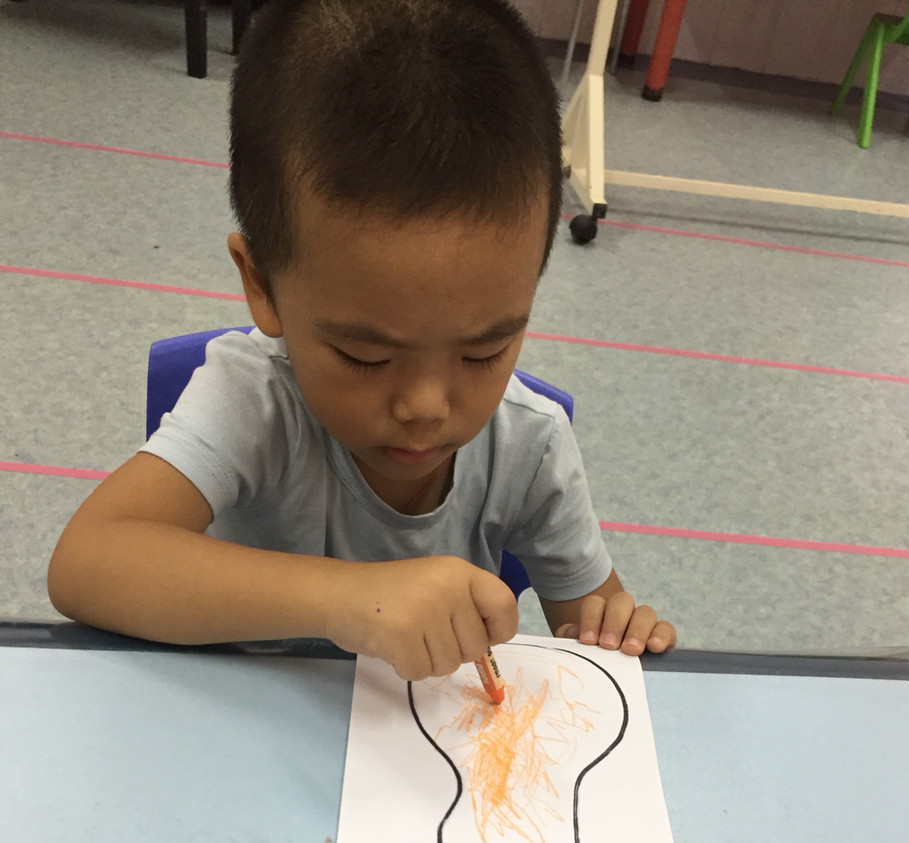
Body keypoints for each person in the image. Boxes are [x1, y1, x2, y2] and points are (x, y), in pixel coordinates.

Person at [48, 0, 676, 681]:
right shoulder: (252, 400)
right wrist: (346, 600)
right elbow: (88, 562)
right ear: (262, 286)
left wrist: (616, 631)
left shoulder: (533, 446)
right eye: (365, 357)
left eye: (483, 353)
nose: (426, 406)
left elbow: (592, 633)